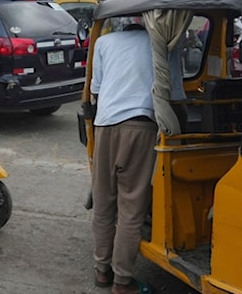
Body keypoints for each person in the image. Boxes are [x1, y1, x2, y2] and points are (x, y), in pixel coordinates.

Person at [89, 21, 157, 294]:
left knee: (104, 202)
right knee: (131, 208)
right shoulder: (159, 43)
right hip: (141, 126)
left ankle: (102, 271)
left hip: (104, 126)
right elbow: (173, 91)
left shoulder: (104, 42)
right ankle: (122, 281)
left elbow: (96, 88)